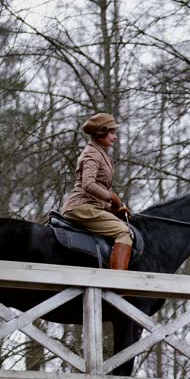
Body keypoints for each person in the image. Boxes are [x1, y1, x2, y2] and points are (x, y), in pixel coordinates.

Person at [61, 112, 133, 270]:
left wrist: (111, 209)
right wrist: (111, 197)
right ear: (101, 133)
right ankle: (118, 282)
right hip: (81, 208)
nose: (115, 137)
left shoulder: (101, 152)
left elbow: (94, 194)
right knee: (124, 232)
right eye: (112, 133)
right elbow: (88, 184)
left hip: (90, 206)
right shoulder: (92, 153)